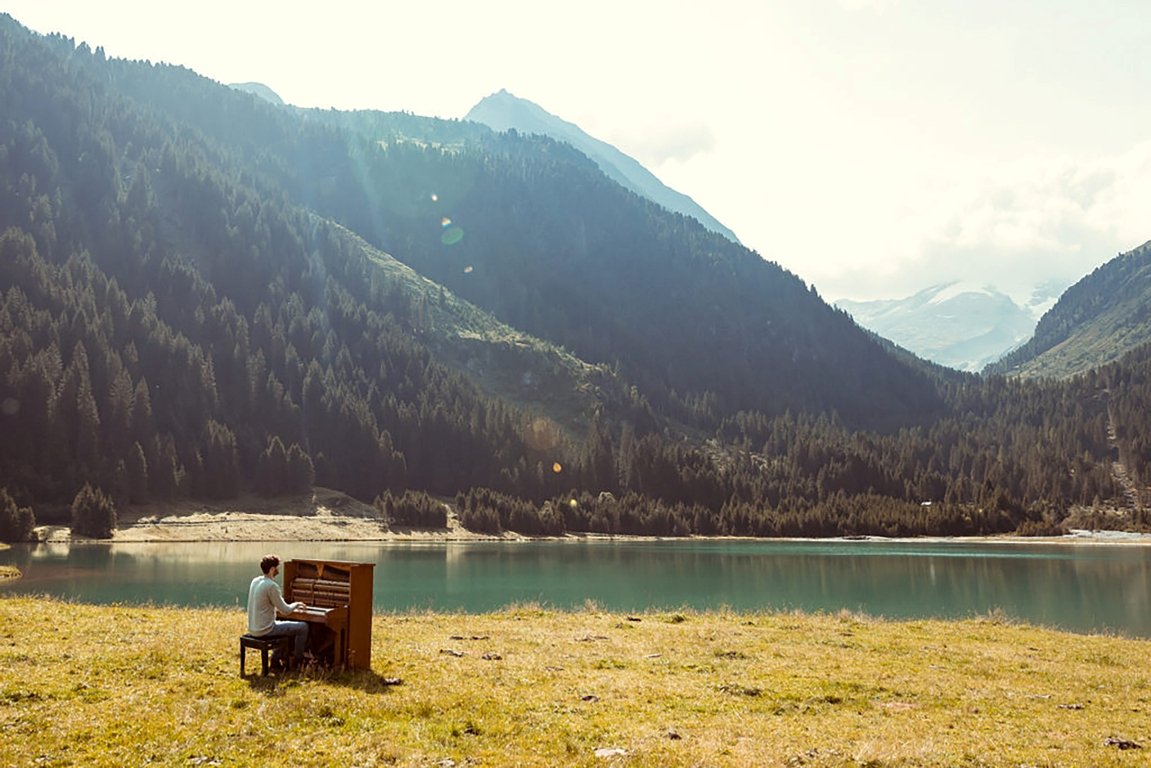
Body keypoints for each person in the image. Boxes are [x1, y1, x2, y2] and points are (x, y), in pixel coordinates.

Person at [246, 554, 308, 668]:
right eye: (277, 568)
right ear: (272, 569)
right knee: (303, 627)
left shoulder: (255, 581)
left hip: (253, 628)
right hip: (265, 629)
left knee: (283, 626)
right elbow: (285, 611)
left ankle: (276, 660)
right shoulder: (271, 586)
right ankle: (298, 662)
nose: (278, 571)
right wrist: (297, 604)